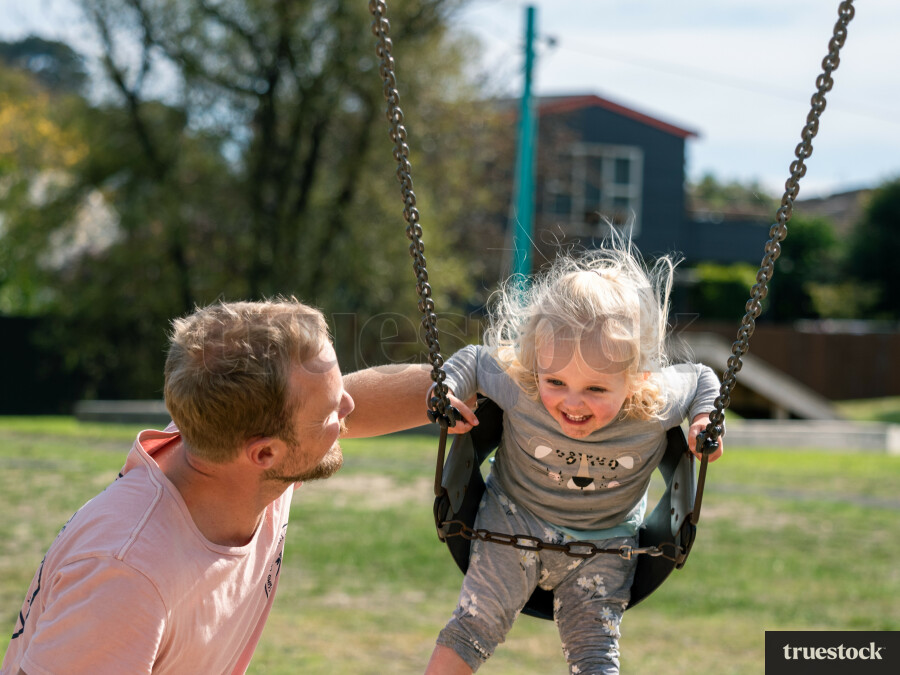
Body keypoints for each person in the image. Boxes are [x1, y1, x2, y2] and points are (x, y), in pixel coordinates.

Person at [1, 298, 432, 675]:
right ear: (265, 454)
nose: (349, 408)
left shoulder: (223, 445)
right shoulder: (126, 577)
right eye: (329, 411)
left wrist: (478, 377)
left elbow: (345, 405)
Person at [422, 236, 725, 675]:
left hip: (604, 543)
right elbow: (471, 359)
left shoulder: (652, 404)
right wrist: (447, 389)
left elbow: (700, 379)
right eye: (556, 382)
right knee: (474, 625)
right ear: (535, 364)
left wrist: (702, 421)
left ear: (636, 376)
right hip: (513, 520)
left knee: (594, 651)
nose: (573, 403)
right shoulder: (521, 387)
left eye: (597, 388)